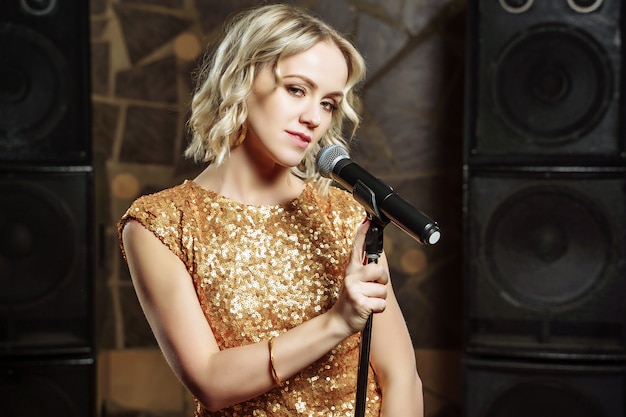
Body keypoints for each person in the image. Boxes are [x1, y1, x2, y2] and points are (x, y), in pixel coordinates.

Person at [118, 4, 423, 416]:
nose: (314, 117)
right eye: (297, 89)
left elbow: (401, 376)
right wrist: (338, 321)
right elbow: (210, 381)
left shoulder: (345, 214)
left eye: (329, 103)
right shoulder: (160, 226)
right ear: (240, 79)